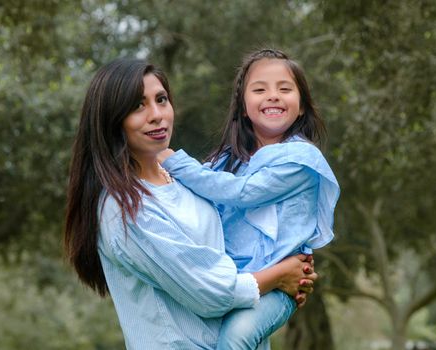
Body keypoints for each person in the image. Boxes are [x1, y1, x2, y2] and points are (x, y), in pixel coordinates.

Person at [63, 57, 318, 349]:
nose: (157, 115)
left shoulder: (183, 179)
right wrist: (280, 275)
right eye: (137, 106)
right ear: (111, 120)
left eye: (161, 99)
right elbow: (213, 293)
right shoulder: (123, 209)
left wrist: (292, 261)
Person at [159, 48, 340, 349]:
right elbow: (199, 195)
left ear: (303, 106)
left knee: (237, 337)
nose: (273, 96)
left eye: (285, 89)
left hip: (279, 287)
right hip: (232, 279)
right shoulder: (225, 161)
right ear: (244, 107)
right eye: (260, 89)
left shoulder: (301, 161)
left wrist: (175, 162)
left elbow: (243, 193)